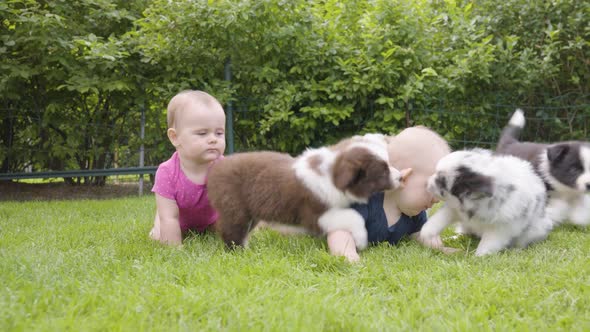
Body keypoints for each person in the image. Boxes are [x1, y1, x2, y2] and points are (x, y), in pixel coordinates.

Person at [327, 126, 455, 262]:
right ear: (404, 177)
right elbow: (340, 230)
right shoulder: (365, 200)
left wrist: (439, 248)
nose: (437, 199)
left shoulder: (415, 213)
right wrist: (347, 253)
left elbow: (422, 234)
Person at [149, 90, 226, 246]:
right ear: (175, 137)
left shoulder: (223, 167)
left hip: (211, 218)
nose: (213, 139)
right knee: (159, 235)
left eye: (219, 133)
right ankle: (158, 224)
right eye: (202, 133)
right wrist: (175, 250)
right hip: (177, 220)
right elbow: (169, 218)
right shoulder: (167, 172)